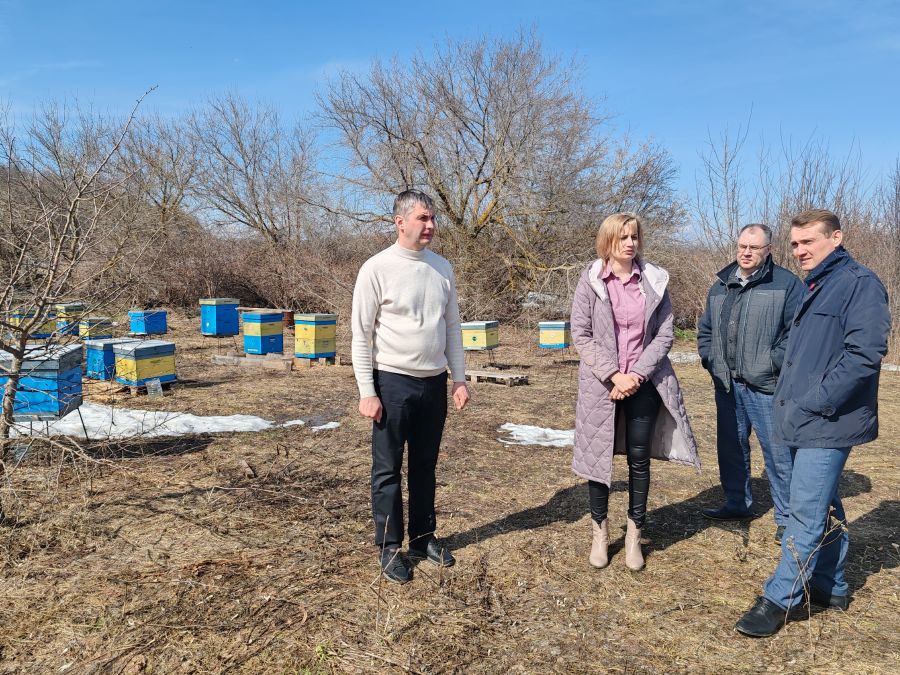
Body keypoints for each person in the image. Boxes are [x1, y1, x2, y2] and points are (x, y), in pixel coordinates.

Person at [735, 209, 890, 637]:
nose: (799, 251)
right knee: (824, 503)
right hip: (802, 415)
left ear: (835, 238)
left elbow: (865, 354)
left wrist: (817, 400)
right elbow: (803, 346)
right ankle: (830, 585)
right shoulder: (818, 284)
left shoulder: (859, 285)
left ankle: (779, 600)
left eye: (809, 242)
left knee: (803, 510)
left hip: (829, 419)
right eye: (796, 244)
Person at [351, 189, 470, 584]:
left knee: (424, 466)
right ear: (400, 222)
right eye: (423, 218)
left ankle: (422, 537)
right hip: (391, 383)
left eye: (433, 218)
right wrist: (367, 390)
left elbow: (452, 328)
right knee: (387, 470)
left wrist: (459, 378)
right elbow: (360, 335)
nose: (431, 225)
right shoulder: (376, 268)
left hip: (433, 383)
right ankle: (389, 548)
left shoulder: (442, 269)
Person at [570, 213, 700, 571]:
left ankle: (633, 536)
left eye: (635, 237)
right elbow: (580, 334)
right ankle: (599, 533)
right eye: (623, 237)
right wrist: (613, 374)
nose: (630, 243)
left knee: (639, 459)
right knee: (599, 460)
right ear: (608, 241)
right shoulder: (592, 280)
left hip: (644, 383)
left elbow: (665, 333)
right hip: (602, 385)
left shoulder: (655, 281)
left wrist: (636, 374)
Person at [697, 224, 804, 542]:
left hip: (767, 387)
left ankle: (787, 518)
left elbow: (795, 337)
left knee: (778, 453)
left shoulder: (786, 284)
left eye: (754, 248)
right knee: (731, 449)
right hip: (727, 385)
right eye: (742, 246)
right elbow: (706, 329)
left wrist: (770, 364)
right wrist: (710, 358)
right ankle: (737, 503)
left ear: (768, 250)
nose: (746, 252)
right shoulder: (721, 283)